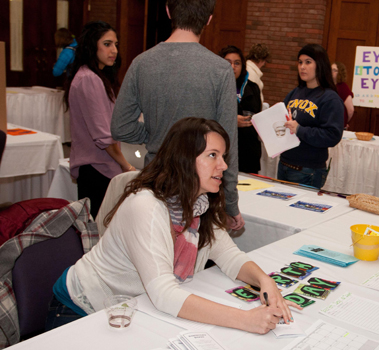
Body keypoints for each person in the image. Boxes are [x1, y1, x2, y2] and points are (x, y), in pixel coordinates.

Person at [46, 118, 301, 333]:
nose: (223, 165)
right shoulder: (147, 207)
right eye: (213, 155)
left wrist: (265, 282)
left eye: (223, 156)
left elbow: (228, 255)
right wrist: (245, 319)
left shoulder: (199, 203)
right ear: (184, 159)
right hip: (81, 308)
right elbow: (163, 294)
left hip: (133, 306)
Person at [111, 0, 244, 231]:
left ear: (168, 11)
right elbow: (228, 143)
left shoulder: (142, 63)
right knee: (190, 260)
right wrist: (230, 203)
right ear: (209, 19)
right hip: (199, 186)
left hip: (156, 181)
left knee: (152, 254)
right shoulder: (220, 70)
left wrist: (156, 133)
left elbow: (120, 127)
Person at [65, 21, 134, 219]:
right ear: (91, 46)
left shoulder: (97, 77)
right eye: (107, 44)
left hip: (100, 167)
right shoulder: (89, 79)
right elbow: (104, 136)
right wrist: (126, 166)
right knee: (98, 231)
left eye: (115, 44)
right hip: (97, 169)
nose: (114, 50)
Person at [278, 44, 344, 188]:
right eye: (300, 62)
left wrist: (300, 130)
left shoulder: (330, 98)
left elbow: (332, 135)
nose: (302, 67)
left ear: (319, 65)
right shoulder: (295, 92)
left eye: (308, 62)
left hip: (308, 170)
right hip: (284, 164)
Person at [218, 45, 262, 174]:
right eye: (228, 62)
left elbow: (257, 113)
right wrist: (231, 120)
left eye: (237, 63)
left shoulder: (252, 87)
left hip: (249, 149)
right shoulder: (215, 87)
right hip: (225, 148)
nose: (233, 67)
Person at [331, 62, 354, 128]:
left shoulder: (343, 87)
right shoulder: (328, 86)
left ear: (340, 72)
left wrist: (345, 121)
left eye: (334, 70)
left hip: (338, 124)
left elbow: (350, 109)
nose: (331, 72)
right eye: (330, 70)